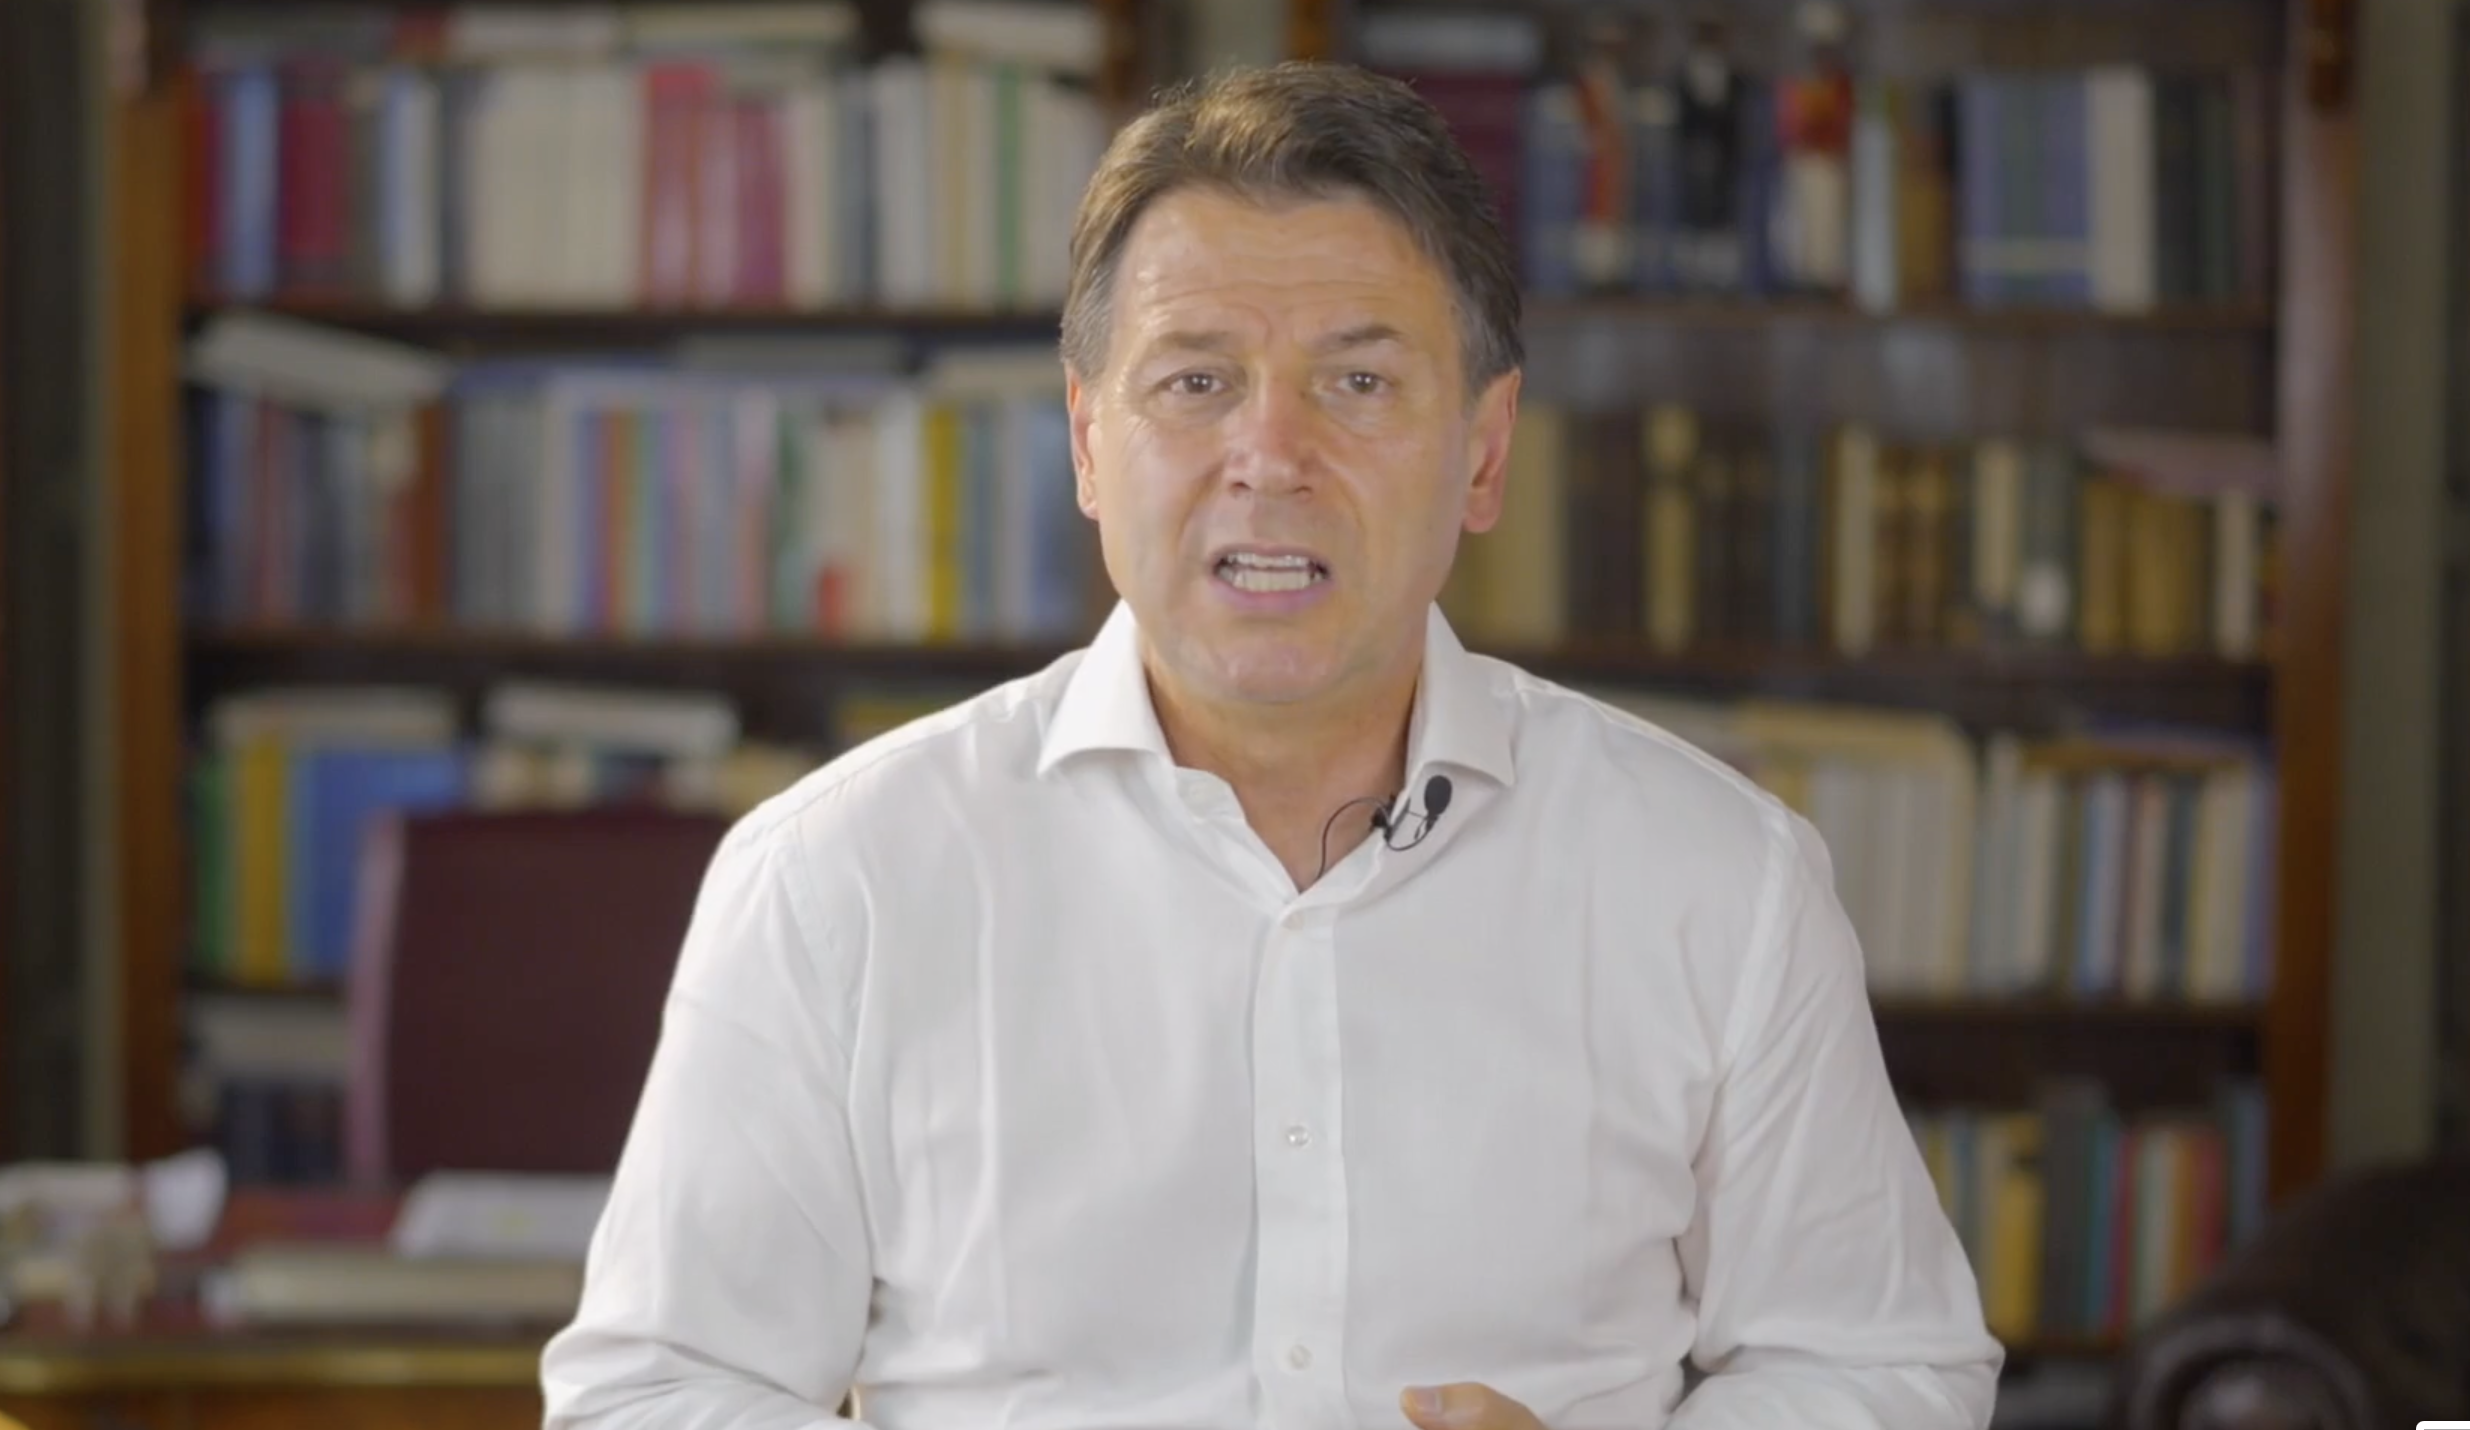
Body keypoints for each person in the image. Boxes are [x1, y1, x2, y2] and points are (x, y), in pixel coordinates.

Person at [538, 60, 2002, 1430]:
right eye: (1195, 380)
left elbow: (1882, 1365)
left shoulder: (1716, 878)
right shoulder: (836, 879)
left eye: (1358, 382)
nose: (1271, 457)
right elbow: (652, 1391)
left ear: (1484, 451)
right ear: (1087, 442)